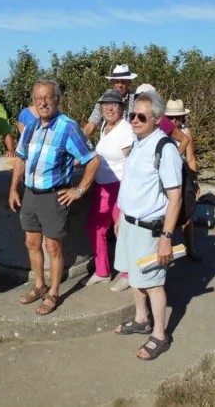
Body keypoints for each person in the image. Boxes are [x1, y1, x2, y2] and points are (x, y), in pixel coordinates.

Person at [9, 79, 100, 315]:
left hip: (53, 197)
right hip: (30, 194)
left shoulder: (68, 128)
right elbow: (20, 158)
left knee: (53, 247)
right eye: (38, 98)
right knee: (31, 243)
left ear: (57, 100)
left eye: (48, 97)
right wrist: (12, 189)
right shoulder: (31, 127)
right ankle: (39, 286)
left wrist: (79, 190)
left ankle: (54, 292)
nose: (43, 102)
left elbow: (93, 160)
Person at [113, 91, 182, 361]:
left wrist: (166, 237)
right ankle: (141, 319)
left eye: (142, 116)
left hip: (150, 228)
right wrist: (122, 215)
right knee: (135, 277)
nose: (135, 120)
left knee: (153, 283)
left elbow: (174, 197)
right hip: (130, 224)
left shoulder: (164, 149)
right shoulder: (139, 143)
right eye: (132, 115)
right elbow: (131, 184)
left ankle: (160, 335)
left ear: (156, 119)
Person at [82, 89, 135, 290]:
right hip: (101, 186)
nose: (110, 108)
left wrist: (125, 196)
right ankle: (102, 271)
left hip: (119, 187)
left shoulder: (126, 130)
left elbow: (131, 162)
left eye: (114, 105)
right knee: (95, 228)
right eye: (106, 105)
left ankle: (128, 274)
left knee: (121, 230)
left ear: (121, 108)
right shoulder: (105, 126)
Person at [165, 99, 201, 262]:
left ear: (182, 117)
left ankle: (190, 247)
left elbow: (191, 158)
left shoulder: (186, 131)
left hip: (181, 172)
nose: (174, 121)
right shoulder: (161, 130)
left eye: (177, 117)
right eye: (171, 118)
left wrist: (194, 181)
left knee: (187, 212)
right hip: (164, 173)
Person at [83, 64, 137, 138]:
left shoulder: (136, 98)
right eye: (117, 82)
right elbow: (92, 124)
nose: (120, 85)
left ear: (129, 82)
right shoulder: (104, 99)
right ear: (113, 82)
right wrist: (78, 142)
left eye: (123, 82)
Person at [135, 84, 190, 155]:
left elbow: (184, 140)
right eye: (138, 97)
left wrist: (172, 160)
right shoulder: (133, 118)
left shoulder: (162, 121)